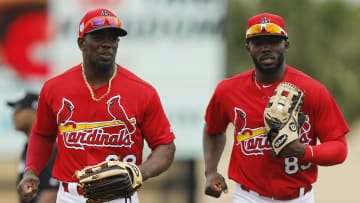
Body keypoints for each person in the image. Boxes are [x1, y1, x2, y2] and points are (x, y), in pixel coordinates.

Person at [17, 8, 176, 203]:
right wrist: (31, 171)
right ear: (81, 43)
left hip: (119, 196)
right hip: (69, 196)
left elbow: (165, 146)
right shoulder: (55, 88)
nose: (107, 44)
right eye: (99, 37)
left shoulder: (142, 91)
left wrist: (141, 172)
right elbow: (43, 134)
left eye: (113, 38)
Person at [203, 13, 349, 203]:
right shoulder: (228, 90)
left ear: (285, 45)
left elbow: (339, 148)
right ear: (248, 47)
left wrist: (303, 151)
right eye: (257, 42)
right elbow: (213, 129)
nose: (265, 48)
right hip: (248, 197)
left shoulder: (312, 91)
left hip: (299, 197)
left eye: (273, 41)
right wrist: (211, 171)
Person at [7, 92, 59, 203]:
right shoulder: (28, 147)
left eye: (19, 108)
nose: (13, 114)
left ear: (35, 111)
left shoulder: (50, 148)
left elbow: (52, 194)